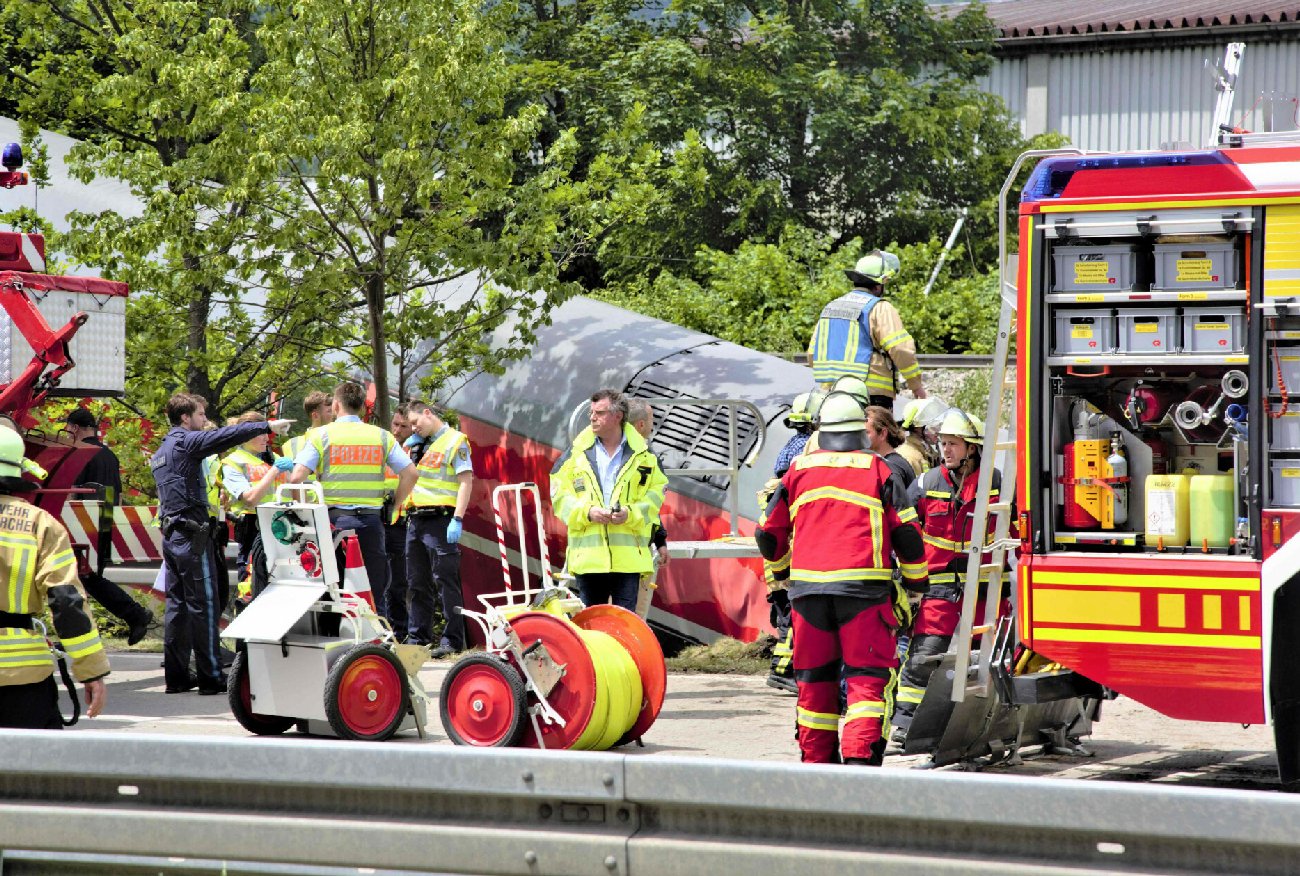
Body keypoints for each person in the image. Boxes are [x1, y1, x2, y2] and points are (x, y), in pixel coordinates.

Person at [755, 392, 929, 765]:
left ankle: (818, 769)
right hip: (865, 596)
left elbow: (767, 535)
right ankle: (859, 764)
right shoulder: (878, 469)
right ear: (860, 434)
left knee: (815, 684)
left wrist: (784, 571)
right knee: (866, 680)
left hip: (808, 597)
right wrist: (916, 587)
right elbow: (908, 536)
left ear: (821, 430)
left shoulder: (798, 470)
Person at [151, 394, 292, 695]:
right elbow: (223, 436)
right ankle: (210, 676)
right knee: (204, 606)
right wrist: (266, 426)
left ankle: (176, 678)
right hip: (192, 536)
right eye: (200, 415)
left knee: (177, 607)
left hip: (172, 536)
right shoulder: (185, 443)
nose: (204, 420)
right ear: (185, 418)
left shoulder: (161, 451)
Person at [894, 408, 1007, 739]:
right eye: (943, 443)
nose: (946, 450)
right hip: (939, 591)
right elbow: (902, 524)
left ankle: (981, 726)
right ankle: (904, 726)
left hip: (985, 588)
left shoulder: (994, 482)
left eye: (953, 443)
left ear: (971, 447)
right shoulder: (927, 482)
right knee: (923, 658)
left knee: (988, 658)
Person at [0, 429, 109, 727]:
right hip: (23, 682)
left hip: (24, 682)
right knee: (31, 772)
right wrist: (91, 670)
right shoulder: (40, 524)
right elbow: (66, 601)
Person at [290, 382, 417, 621]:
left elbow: (296, 477)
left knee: (332, 589)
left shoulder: (322, 435)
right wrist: (394, 506)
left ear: (336, 405)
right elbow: (411, 474)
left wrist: (303, 517)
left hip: (334, 524)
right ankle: (375, 645)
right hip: (371, 522)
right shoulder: (381, 436)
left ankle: (336, 644)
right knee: (373, 588)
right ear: (361, 408)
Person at [550, 389, 667, 612]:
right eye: (591, 413)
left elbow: (656, 497)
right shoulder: (575, 454)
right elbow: (559, 496)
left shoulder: (645, 455)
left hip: (628, 560)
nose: (592, 417)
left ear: (617, 416)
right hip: (589, 560)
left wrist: (630, 514)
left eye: (600, 413)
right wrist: (588, 512)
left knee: (625, 625)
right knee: (593, 625)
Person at [65, 407, 154, 646]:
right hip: (106, 520)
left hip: (82, 523)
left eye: (67, 429)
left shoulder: (80, 453)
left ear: (75, 428)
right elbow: (120, 495)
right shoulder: (110, 455)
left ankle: (133, 614)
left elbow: (73, 492)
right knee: (88, 578)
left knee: (84, 578)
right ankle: (127, 617)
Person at [762, 390, 825, 695]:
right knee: (790, 613)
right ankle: (782, 670)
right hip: (788, 550)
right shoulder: (806, 456)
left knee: (786, 610)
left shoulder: (788, 450)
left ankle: (784, 667)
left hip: (778, 549)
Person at [808, 250, 926, 407]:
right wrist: (916, 385)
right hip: (871, 396)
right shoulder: (880, 308)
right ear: (878, 286)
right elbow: (900, 349)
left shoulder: (830, 308)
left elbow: (812, 354)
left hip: (831, 395)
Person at [404, 400, 473, 655]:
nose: (413, 428)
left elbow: (466, 481)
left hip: (441, 520)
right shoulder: (417, 445)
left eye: (415, 422)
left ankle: (451, 640)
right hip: (416, 520)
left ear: (427, 413)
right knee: (416, 583)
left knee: (445, 581)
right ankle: (418, 639)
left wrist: (458, 518)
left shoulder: (456, 441)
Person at [221, 411, 294, 594]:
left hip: (282, 527)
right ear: (245, 436)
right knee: (251, 586)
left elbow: (296, 496)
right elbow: (250, 499)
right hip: (253, 529)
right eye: (259, 433)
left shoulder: (275, 459)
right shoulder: (233, 463)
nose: (265, 438)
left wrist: (295, 477)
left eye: (266, 432)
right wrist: (274, 471)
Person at [626, 398, 668, 618]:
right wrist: (659, 540)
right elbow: (652, 503)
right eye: (651, 420)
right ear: (641, 425)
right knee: (632, 619)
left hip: (624, 554)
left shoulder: (604, 451)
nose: (653, 425)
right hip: (632, 555)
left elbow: (651, 507)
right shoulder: (646, 458)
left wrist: (660, 539)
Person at [382, 403, 415, 639]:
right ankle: (385, 631)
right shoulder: (384, 447)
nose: (397, 430)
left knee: (399, 584)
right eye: (395, 424)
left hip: (406, 522)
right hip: (382, 518)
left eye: (404, 426)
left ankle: (401, 632)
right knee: (382, 580)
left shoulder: (416, 451)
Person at [865, 405, 915, 489]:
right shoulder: (892, 463)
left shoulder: (892, 468)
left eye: (866, 433)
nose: (860, 437)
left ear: (883, 434)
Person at [897, 397, 945, 477]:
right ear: (919, 428)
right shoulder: (910, 456)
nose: (938, 431)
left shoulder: (928, 452)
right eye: (933, 426)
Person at [283, 390, 334, 462]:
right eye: (329, 411)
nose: (334, 415)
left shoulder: (337, 440)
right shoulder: (290, 445)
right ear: (315, 415)